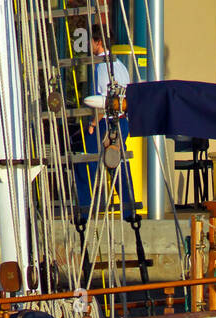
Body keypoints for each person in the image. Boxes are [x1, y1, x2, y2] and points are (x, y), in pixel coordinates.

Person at [74, 25, 136, 221]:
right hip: (122, 121)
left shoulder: (102, 67)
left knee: (85, 162)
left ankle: (85, 208)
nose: (89, 46)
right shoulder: (121, 66)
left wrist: (93, 124)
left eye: (91, 42)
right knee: (117, 164)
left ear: (98, 42)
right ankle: (129, 208)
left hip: (105, 123)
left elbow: (103, 101)